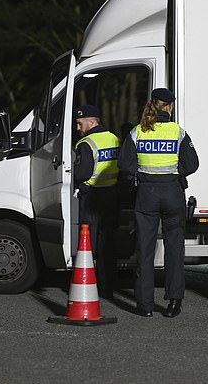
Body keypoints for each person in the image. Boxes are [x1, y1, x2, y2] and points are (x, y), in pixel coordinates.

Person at [118, 88, 199, 318]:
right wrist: (175, 172)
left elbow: (125, 164)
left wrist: (141, 173)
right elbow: (192, 164)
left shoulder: (138, 131)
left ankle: (145, 306)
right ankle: (174, 302)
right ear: (169, 107)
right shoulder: (178, 132)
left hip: (146, 193)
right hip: (172, 192)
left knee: (144, 249)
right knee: (174, 248)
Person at [74, 105, 120, 298]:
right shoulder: (114, 138)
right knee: (107, 244)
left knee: (88, 245)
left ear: (92, 122)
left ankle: (89, 285)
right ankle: (108, 286)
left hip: (92, 198)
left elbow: (83, 173)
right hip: (112, 195)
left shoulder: (86, 143)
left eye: (79, 123)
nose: (77, 128)